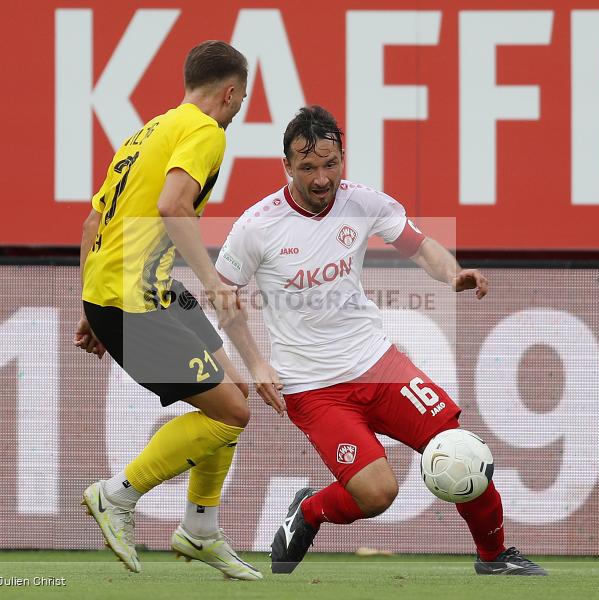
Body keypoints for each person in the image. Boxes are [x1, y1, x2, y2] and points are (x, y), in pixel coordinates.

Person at [214, 105, 547, 576]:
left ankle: (494, 557)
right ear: (286, 166)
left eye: (330, 164)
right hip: (313, 387)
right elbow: (222, 295)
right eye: (307, 167)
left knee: (459, 449)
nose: (321, 177)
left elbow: (417, 244)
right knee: (377, 493)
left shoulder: (363, 202)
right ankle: (309, 511)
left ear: (343, 159)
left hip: (379, 364)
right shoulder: (256, 226)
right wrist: (255, 362)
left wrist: (454, 274)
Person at [74, 40, 282, 581]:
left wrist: (89, 303)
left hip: (128, 291)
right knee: (233, 414)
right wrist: (214, 283)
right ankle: (117, 496)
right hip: (134, 301)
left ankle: (200, 530)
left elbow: (93, 222)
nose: (237, 112)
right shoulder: (206, 132)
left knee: (233, 398)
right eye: (240, 102)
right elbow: (172, 206)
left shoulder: (147, 131)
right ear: (231, 92)